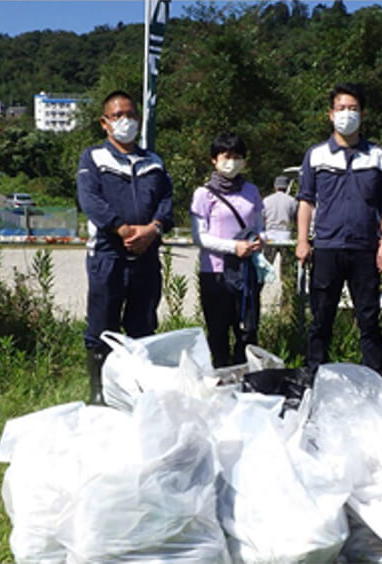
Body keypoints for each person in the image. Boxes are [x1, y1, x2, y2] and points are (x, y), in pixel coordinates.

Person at [76, 90, 173, 404]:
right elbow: (90, 200)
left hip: (146, 255)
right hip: (108, 254)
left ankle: (138, 391)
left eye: (131, 115)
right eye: (118, 116)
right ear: (105, 123)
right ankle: (100, 392)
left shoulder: (153, 161)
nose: (126, 121)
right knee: (103, 325)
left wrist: (153, 228)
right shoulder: (93, 158)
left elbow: (167, 202)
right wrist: (122, 228)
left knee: (142, 325)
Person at [296, 82, 382, 376]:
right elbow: (306, 201)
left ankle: (375, 379)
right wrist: (302, 240)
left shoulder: (377, 155)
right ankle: (316, 375)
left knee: (369, 318)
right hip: (327, 246)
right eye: (341, 108)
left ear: (362, 114)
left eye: (353, 109)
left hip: (365, 248)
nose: (346, 114)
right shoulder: (316, 155)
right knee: (321, 318)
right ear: (330, 114)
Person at [190, 133, 266, 368]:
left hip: (246, 272)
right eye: (226, 156)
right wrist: (234, 247)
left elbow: (259, 225)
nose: (231, 161)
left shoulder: (251, 191)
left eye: (237, 156)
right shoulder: (203, 194)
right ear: (214, 159)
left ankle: (246, 374)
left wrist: (258, 240)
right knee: (218, 330)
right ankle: (221, 372)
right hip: (215, 272)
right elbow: (199, 236)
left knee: (247, 330)